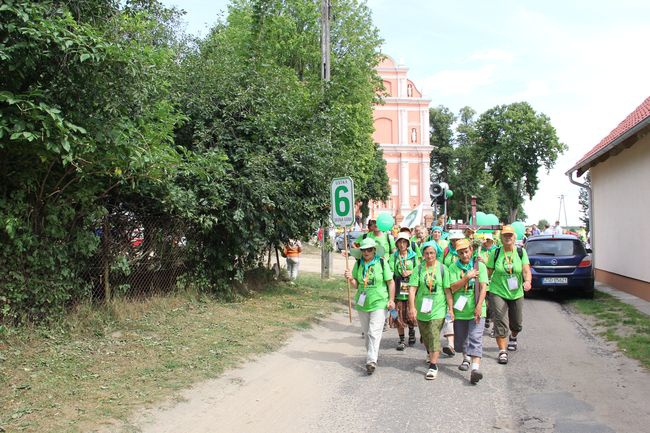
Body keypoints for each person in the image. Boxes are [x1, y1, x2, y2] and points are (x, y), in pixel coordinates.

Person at [344, 238, 395, 375]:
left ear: (374, 250)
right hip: (362, 303)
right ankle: (371, 355)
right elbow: (356, 285)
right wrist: (350, 278)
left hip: (379, 302)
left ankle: (371, 360)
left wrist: (391, 299)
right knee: (367, 334)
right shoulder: (359, 263)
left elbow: (390, 282)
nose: (366, 252)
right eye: (363, 250)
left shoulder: (382, 263)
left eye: (369, 249)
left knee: (374, 332)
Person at [486, 225, 532, 365]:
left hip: (516, 292)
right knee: (500, 320)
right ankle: (502, 351)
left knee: (516, 323)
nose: (508, 237)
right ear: (500, 237)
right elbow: (488, 272)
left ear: (514, 237)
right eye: (505, 235)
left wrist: (528, 281)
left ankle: (513, 336)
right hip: (498, 291)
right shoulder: (495, 253)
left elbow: (525, 270)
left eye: (510, 235)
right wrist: (483, 286)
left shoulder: (520, 252)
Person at [407, 241, 452, 380]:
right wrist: (412, 307)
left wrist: (450, 308)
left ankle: (433, 365)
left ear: (436, 253)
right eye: (426, 253)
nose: (429, 255)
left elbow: (447, 290)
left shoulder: (443, 269)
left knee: (433, 334)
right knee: (426, 336)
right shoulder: (418, 269)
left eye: (432, 253)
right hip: (422, 309)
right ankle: (429, 350)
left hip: (438, 308)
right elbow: (412, 289)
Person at [448, 239, 488, 384]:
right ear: (457, 253)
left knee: (476, 338)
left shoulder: (479, 266)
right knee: (460, 342)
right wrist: (467, 277)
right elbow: (452, 287)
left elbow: (483, 287)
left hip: (476, 309)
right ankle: (466, 357)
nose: (464, 255)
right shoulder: (453, 268)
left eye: (466, 251)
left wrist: (479, 306)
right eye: (461, 252)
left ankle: (475, 369)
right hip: (460, 311)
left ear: (471, 250)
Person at [389, 232, 419, 350]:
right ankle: (401, 339)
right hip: (397, 286)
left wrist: (410, 272)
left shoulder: (414, 255)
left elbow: (418, 269)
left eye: (404, 242)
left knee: (410, 311)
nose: (402, 245)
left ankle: (411, 332)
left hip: (410, 287)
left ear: (408, 244)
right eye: (400, 242)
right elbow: (390, 269)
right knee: (396, 314)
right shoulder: (394, 256)